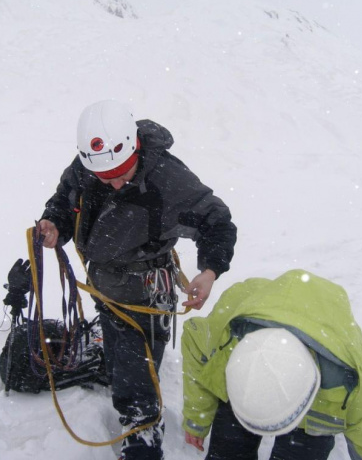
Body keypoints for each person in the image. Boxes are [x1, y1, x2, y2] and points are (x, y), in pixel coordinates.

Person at [37, 99, 237, 460]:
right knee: (118, 347)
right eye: (103, 176)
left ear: (134, 149)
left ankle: (142, 430)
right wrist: (54, 224)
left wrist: (209, 272)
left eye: (121, 171)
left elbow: (217, 222)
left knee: (137, 367)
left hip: (145, 292)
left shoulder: (167, 179)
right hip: (106, 282)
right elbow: (65, 200)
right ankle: (115, 368)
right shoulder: (88, 167)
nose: (113, 182)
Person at [181, 269, 362, 460]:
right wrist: (197, 418)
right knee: (229, 449)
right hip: (253, 322)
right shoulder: (225, 338)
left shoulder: (353, 384)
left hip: (323, 389)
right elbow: (192, 340)